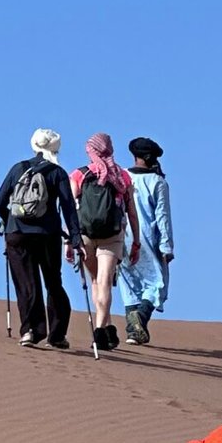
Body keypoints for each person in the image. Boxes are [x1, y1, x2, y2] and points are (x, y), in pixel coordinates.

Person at [0, 128, 83, 350]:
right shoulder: (57, 173)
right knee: (53, 282)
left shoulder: (18, 169)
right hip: (47, 234)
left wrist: (9, 222)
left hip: (17, 235)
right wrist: (75, 238)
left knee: (26, 283)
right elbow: (69, 207)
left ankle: (29, 331)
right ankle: (57, 334)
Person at [70, 133, 139, 352]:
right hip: (113, 235)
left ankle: (103, 329)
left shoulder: (80, 174)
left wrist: (68, 240)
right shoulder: (123, 177)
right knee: (105, 281)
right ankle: (102, 329)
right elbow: (132, 212)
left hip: (85, 234)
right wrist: (136, 241)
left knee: (95, 282)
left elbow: (71, 210)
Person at [120, 137, 173, 346]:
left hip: (121, 237)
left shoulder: (122, 177)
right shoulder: (158, 182)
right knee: (156, 284)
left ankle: (133, 332)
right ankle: (139, 320)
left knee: (129, 284)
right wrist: (167, 247)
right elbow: (163, 216)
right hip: (147, 239)